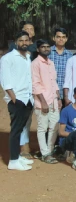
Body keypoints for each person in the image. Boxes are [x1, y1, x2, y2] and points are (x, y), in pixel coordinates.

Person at [0, 31, 35, 170]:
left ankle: (18, 156)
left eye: (26, 40)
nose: (24, 43)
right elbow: (5, 81)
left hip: (28, 99)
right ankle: (13, 161)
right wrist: (14, 99)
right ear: (16, 42)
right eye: (21, 40)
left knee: (21, 129)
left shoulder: (27, 57)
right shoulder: (7, 58)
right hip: (17, 100)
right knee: (15, 131)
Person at [31, 39, 61, 164]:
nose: (46, 49)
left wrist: (58, 98)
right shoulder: (35, 63)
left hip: (53, 100)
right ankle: (44, 153)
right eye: (43, 47)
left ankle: (49, 150)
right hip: (42, 101)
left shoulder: (51, 63)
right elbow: (35, 84)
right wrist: (43, 102)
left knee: (54, 127)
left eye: (48, 46)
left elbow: (54, 82)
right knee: (42, 128)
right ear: (38, 49)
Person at [49, 27, 72, 102]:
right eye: (58, 37)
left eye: (63, 37)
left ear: (66, 39)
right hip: (49, 92)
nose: (61, 39)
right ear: (54, 38)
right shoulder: (48, 53)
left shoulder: (70, 56)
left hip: (65, 94)